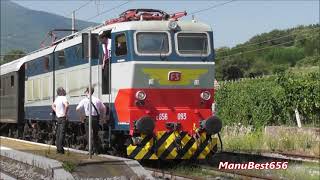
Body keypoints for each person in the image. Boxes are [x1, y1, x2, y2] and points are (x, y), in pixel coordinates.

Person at [76, 87, 106, 154]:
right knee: (95, 134)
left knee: (88, 134)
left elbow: (77, 109)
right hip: (96, 119)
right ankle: (96, 151)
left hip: (88, 118)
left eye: (86, 91)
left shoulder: (84, 100)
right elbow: (104, 108)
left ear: (87, 92)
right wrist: (103, 117)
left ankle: (90, 150)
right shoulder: (97, 100)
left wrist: (81, 116)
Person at [51, 87, 69, 154]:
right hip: (62, 117)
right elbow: (66, 105)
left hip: (58, 118)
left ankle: (58, 148)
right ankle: (61, 149)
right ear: (62, 92)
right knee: (62, 133)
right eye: (64, 91)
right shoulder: (63, 98)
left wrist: (56, 112)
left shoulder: (57, 98)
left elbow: (52, 106)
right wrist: (65, 113)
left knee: (58, 133)